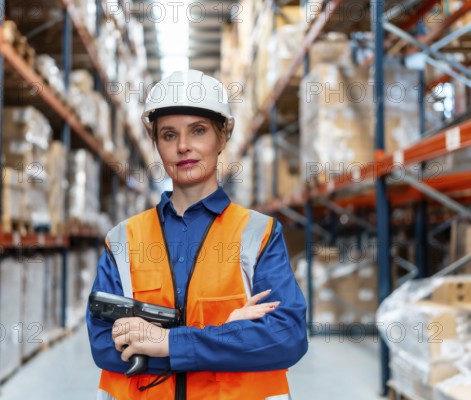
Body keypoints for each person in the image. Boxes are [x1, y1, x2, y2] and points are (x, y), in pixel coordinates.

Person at [86, 69, 308, 400]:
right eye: (169, 135)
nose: (184, 147)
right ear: (156, 144)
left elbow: (286, 337)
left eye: (198, 131)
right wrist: (229, 337)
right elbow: (104, 345)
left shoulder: (258, 234)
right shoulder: (123, 240)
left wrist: (165, 343)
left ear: (222, 138)